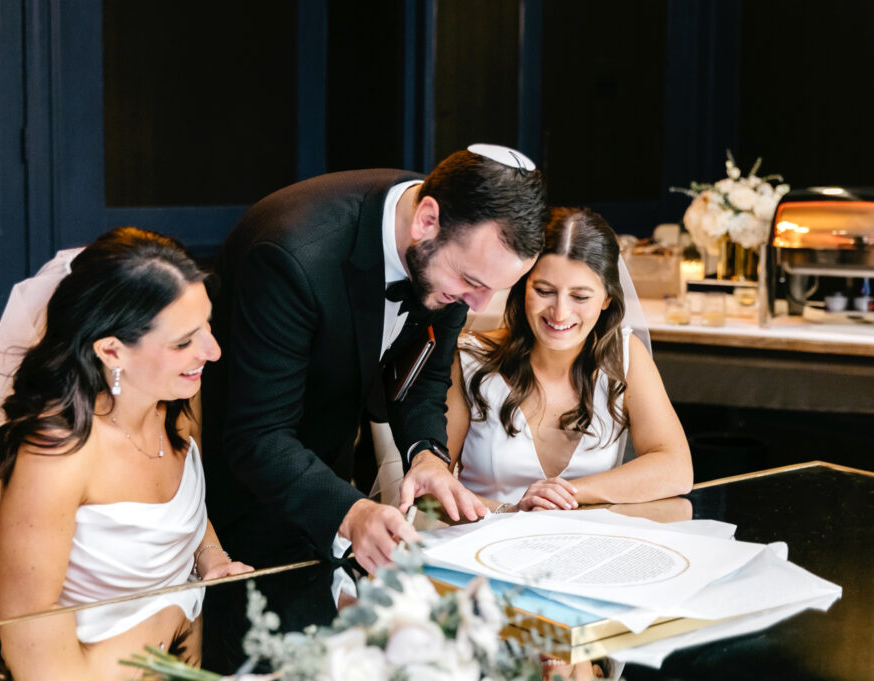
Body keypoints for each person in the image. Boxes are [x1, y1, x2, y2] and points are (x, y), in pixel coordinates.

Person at [200, 145, 548, 670]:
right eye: (474, 284)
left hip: (334, 483)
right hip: (243, 509)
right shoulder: (292, 252)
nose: (479, 307)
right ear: (426, 219)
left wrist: (427, 455)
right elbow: (257, 436)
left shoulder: (448, 245)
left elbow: (426, 377)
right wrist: (352, 511)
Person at [0, 228, 251, 680]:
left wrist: (212, 557)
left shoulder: (176, 400)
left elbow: (184, 510)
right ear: (112, 351)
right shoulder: (57, 455)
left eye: (208, 325)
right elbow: (31, 652)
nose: (212, 350)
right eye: (183, 342)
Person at [446, 208, 692, 512]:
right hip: (478, 547)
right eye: (545, 291)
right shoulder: (470, 359)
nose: (560, 313)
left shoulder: (625, 355)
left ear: (606, 300)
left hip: (583, 550)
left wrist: (566, 494)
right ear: (522, 288)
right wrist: (509, 512)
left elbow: (677, 469)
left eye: (580, 297)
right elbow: (429, 491)